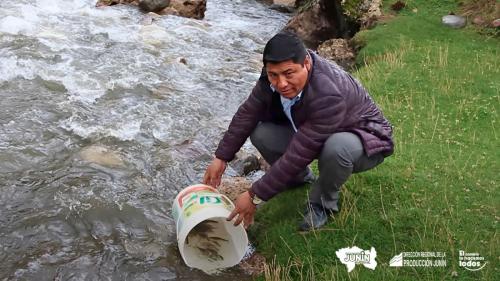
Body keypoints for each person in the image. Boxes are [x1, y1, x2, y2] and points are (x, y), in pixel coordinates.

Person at [203, 31, 394, 231]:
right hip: (319, 131)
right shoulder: (271, 77)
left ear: (307, 63)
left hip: (365, 140)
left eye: (289, 73)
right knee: (262, 134)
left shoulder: (328, 94)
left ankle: (322, 205)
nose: (281, 83)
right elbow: (248, 113)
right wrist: (221, 157)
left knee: (337, 148)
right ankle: (298, 181)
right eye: (273, 75)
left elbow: (299, 154)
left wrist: (253, 195)